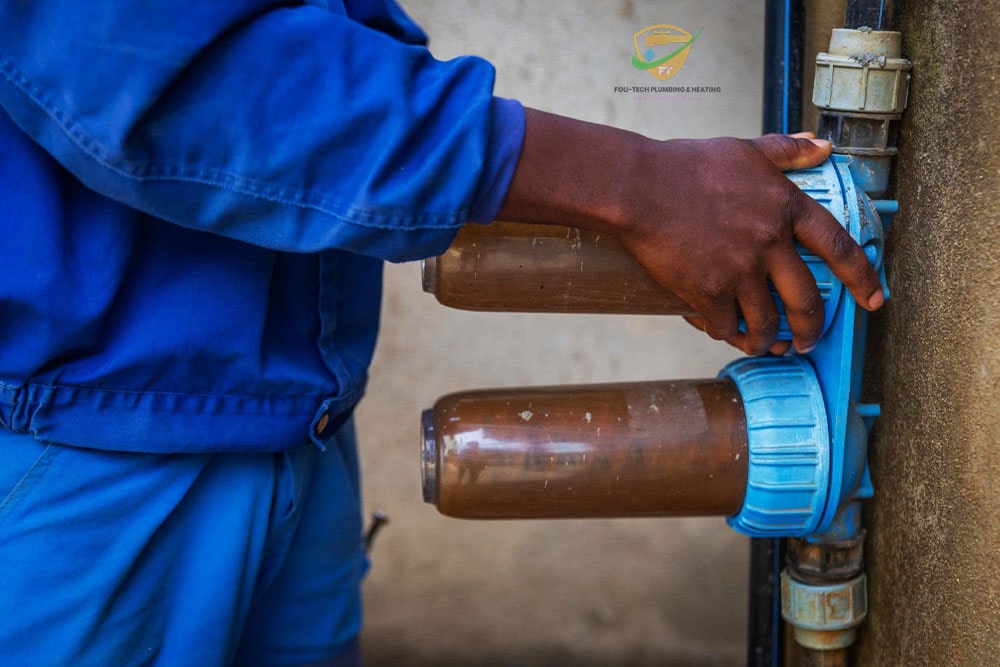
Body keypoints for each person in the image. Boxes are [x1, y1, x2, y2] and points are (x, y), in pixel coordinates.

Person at [0, 1, 883, 665]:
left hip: (296, 428)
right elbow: (173, 69)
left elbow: (333, 32)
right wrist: (639, 183)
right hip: (85, 456)